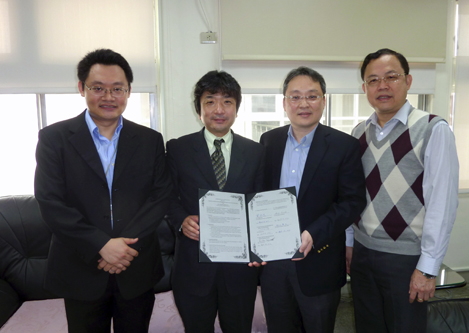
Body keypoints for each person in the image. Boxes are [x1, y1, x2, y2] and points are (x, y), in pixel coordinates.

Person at [34, 49, 170, 333]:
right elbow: (50, 202)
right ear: (82, 88)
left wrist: (123, 248)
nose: (109, 97)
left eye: (117, 89)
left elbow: (159, 197)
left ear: (129, 91)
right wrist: (102, 245)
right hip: (80, 268)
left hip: (136, 268)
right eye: (98, 88)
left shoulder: (150, 140)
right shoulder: (54, 139)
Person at [346, 48, 459, 332]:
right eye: (373, 80)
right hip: (362, 253)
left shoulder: (433, 129)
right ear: (364, 88)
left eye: (391, 77)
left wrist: (428, 267)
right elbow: (351, 196)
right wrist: (349, 243)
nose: (382, 86)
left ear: (408, 81)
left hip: (407, 259)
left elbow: (442, 204)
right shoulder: (358, 133)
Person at [259, 66, 366, 333]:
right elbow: (259, 196)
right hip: (274, 265)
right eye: (295, 97)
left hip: (320, 263)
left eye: (312, 96)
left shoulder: (345, 146)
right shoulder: (268, 141)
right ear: (284, 103)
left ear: (324, 101)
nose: (303, 104)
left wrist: (314, 233)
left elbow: (352, 202)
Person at [165, 70, 265, 333]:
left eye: (227, 101)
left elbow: (260, 203)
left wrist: (260, 246)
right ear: (199, 109)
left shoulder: (255, 152)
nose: (219, 109)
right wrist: (181, 220)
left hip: (240, 271)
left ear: (236, 108)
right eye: (210, 101)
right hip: (193, 268)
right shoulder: (177, 149)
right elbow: (166, 197)